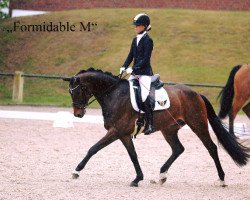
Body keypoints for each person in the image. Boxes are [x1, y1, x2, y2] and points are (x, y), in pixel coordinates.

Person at [120, 13, 155, 135]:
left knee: (144, 96)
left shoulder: (148, 41)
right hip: (134, 73)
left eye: (138, 25)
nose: (135, 27)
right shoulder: (135, 40)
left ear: (144, 26)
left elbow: (145, 59)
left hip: (144, 73)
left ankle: (150, 124)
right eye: (135, 25)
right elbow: (130, 55)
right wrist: (124, 66)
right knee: (124, 91)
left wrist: (134, 68)